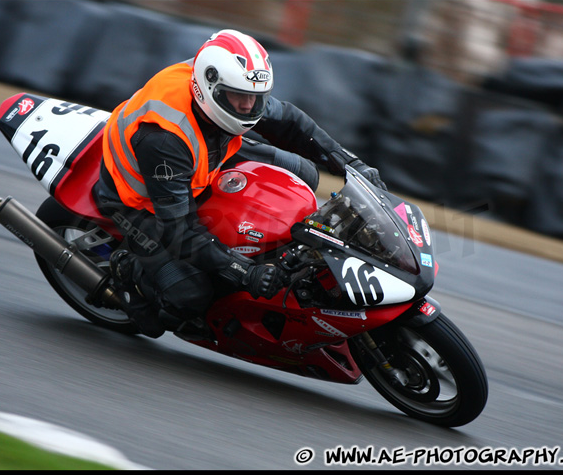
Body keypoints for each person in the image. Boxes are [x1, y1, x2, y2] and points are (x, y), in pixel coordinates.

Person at [93, 29, 386, 338]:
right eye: (240, 98)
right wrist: (244, 272)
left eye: (256, 97)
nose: (249, 106)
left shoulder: (233, 92)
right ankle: (127, 269)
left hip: (205, 154)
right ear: (210, 90)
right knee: (188, 298)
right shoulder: (164, 139)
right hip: (139, 201)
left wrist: (350, 164)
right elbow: (179, 230)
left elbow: (292, 123)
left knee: (306, 173)